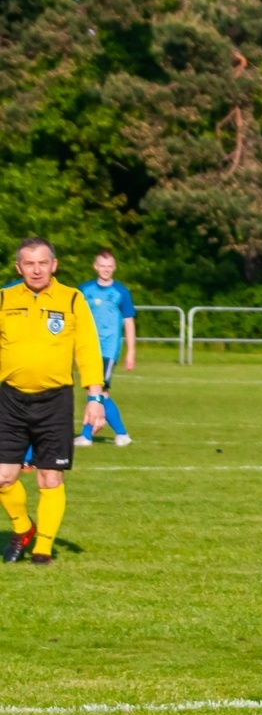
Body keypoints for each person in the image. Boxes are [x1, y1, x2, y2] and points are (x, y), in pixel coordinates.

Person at [0, 237, 109, 565]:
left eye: (42, 263)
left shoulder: (72, 299)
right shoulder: (4, 299)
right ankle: (23, 528)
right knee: (3, 477)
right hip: (9, 399)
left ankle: (43, 548)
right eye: (29, 264)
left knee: (50, 476)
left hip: (55, 401)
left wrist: (95, 397)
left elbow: (87, 349)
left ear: (54, 265)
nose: (36, 270)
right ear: (19, 267)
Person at [76, 250, 136, 446]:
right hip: (88, 347)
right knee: (96, 391)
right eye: (102, 266)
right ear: (95, 266)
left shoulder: (121, 292)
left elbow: (128, 322)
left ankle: (91, 435)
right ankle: (118, 434)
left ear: (114, 268)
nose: (106, 269)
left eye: (109, 266)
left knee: (98, 391)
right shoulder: (84, 290)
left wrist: (131, 352)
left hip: (108, 349)